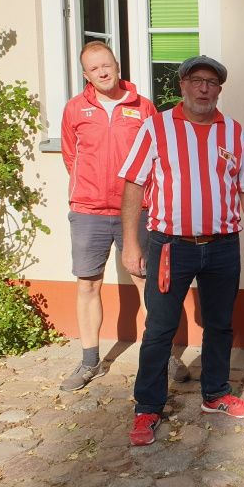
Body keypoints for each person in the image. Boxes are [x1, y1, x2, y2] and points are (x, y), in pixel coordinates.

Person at [119, 55, 244, 446]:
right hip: (170, 247)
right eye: (196, 80)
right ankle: (147, 407)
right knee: (160, 328)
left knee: (220, 324)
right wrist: (131, 243)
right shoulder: (156, 128)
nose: (204, 88)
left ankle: (215, 394)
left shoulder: (233, 132)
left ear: (219, 89)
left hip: (221, 248)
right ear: (182, 85)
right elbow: (134, 184)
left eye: (212, 82)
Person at [60, 41, 171, 392]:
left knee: (147, 283)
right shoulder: (75, 109)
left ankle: (163, 355)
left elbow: (157, 157)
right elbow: (69, 156)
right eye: (95, 69)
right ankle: (90, 362)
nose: (103, 72)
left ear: (117, 65)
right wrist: (90, 189)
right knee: (88, 284)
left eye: (107, 65)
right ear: (86, 75)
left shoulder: (143, 107)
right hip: (88, 212)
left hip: (135, 210)